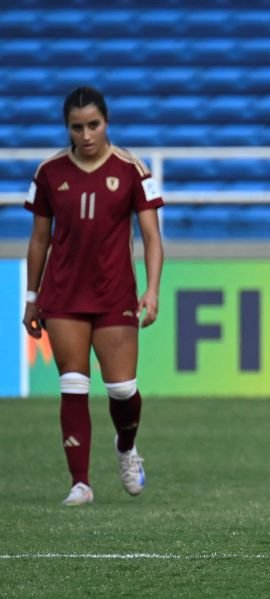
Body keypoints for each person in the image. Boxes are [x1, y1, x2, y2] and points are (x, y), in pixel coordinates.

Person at [22, 86, 165, 506]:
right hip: (63, 294)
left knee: (122, 389)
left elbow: (152, 236)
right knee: (73, 383)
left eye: (93, 125)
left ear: (106, 123)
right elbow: (38, 240)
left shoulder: (131, 169)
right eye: (76, 127)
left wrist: (152, 290)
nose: (85, 135)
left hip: (114, 292)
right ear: (67, 127)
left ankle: (125, 447)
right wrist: (32, 296)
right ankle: (80, 483)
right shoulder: (49, 172)